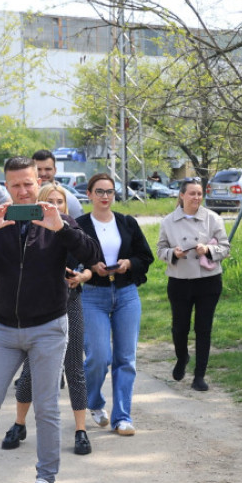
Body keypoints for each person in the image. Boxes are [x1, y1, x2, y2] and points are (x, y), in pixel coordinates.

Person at [0, 156, 99, 483]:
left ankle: (45, 481)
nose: (23, 191)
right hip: (3, 329)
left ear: (37, 182)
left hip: (48, 328)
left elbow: (92, 255)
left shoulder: (59, 220)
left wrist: (61, 228)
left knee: (46, 407)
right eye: (16, 185)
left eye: (28, 183)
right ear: (6, 187)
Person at [1, 182, 93, 456]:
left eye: (60, 201)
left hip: (70, 303)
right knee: (29, 373)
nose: (55, 206)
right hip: (40, 311)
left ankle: (80, 430)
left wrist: (82, 276)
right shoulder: (30, 232)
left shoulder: (70, 228)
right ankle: (19, 423)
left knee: (74, 367)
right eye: (49, 201)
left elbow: (89, 261)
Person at [78, 173, 155, 435]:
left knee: (126, 359)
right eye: (99, 191)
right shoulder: (79, 225)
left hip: (125, 294)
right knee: (99, 357)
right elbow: (69, 258)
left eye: (109, 191)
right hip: (92, 295)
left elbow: (145, 256)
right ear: (89, 194)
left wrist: (129, 263)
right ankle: (94, 402)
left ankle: (122, 417)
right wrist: (91, 267)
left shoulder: (127, 222)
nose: (105, 196)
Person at [156, 177, 231, 391]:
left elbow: (225, 248)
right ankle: (182, 357)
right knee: (180, 328)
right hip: (179, 281)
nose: (196, 197)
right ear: (182, 195)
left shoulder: (213, 218)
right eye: (192, 193)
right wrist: (173, 253)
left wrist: (208, 250)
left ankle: (199, 376)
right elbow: (160, 250)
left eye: (199, 193)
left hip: (208, 281)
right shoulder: (168, 221)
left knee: (203, 328)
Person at [32, 148, 83, 219]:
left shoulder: (69, 199)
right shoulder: (24, 197)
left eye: (48, 169)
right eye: (38, 169)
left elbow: (80, 224)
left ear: (55, 170)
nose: (43, 173)